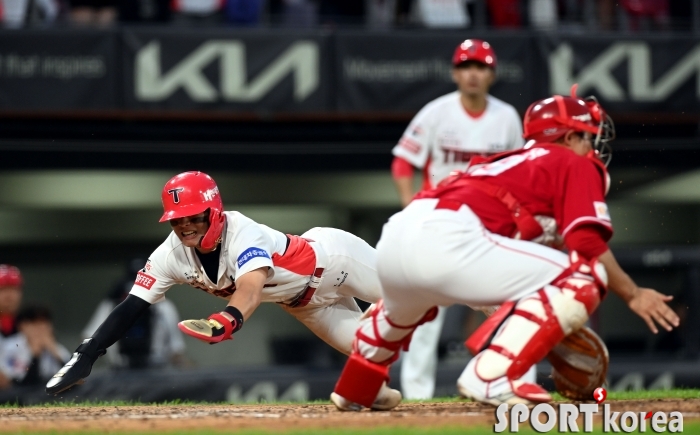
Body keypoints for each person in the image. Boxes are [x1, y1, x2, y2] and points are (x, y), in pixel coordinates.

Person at [330, 87, 680, 410]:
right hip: (451, 240)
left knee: (405, 306)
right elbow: (586, 244)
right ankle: (491, 375)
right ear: (570, 136)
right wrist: (631, 294)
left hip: (400, 234)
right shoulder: (573, 162)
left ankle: (359, 383)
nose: (593, 147)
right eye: (587, 137)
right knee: (583, 276)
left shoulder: (503, 162)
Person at [46, 171, 401, 410]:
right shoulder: (170, 253)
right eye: (177, 218)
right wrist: (88, 353)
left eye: (194, 216)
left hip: (337, 262)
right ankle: (375, 390)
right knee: (373, 354)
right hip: (306, 305)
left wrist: (226, 320)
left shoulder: (242, 231)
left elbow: (250, 289)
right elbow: (132, 306)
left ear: (214, 212)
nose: (185, 225)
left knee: (410, 297)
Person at [391, 39, 524, 400]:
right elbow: (404, 160)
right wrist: (409, 205)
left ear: (492, 74)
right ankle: (417, 395)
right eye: (466, 66)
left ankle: (497, 381)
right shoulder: (437, 112)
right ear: (455, 73)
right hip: (439, 218)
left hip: (488, 223)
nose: (473, 74)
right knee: (426, 309)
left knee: (503, 305)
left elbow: (519, 171)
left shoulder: (507, 116)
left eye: (480, 67)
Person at [82, 258, 189, 370]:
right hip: (120, 369)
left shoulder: (163, 307)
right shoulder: (111, 305)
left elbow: (176, 350)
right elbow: (89, 339)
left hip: (156, 369)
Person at [0, 306, 71, 388]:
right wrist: (35, 355)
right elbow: (25, 384)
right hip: (19, 393)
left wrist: (56, 354)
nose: (40, 328)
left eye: (44, 322)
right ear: (22, 326)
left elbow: (73, 379)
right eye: (34, 323)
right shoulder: (11, 347)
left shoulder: (55, 347)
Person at [0, 265, 23, 390]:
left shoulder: (30, 324)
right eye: (3, 289)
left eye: (14, 289)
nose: (9, 296)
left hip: (24, 387)